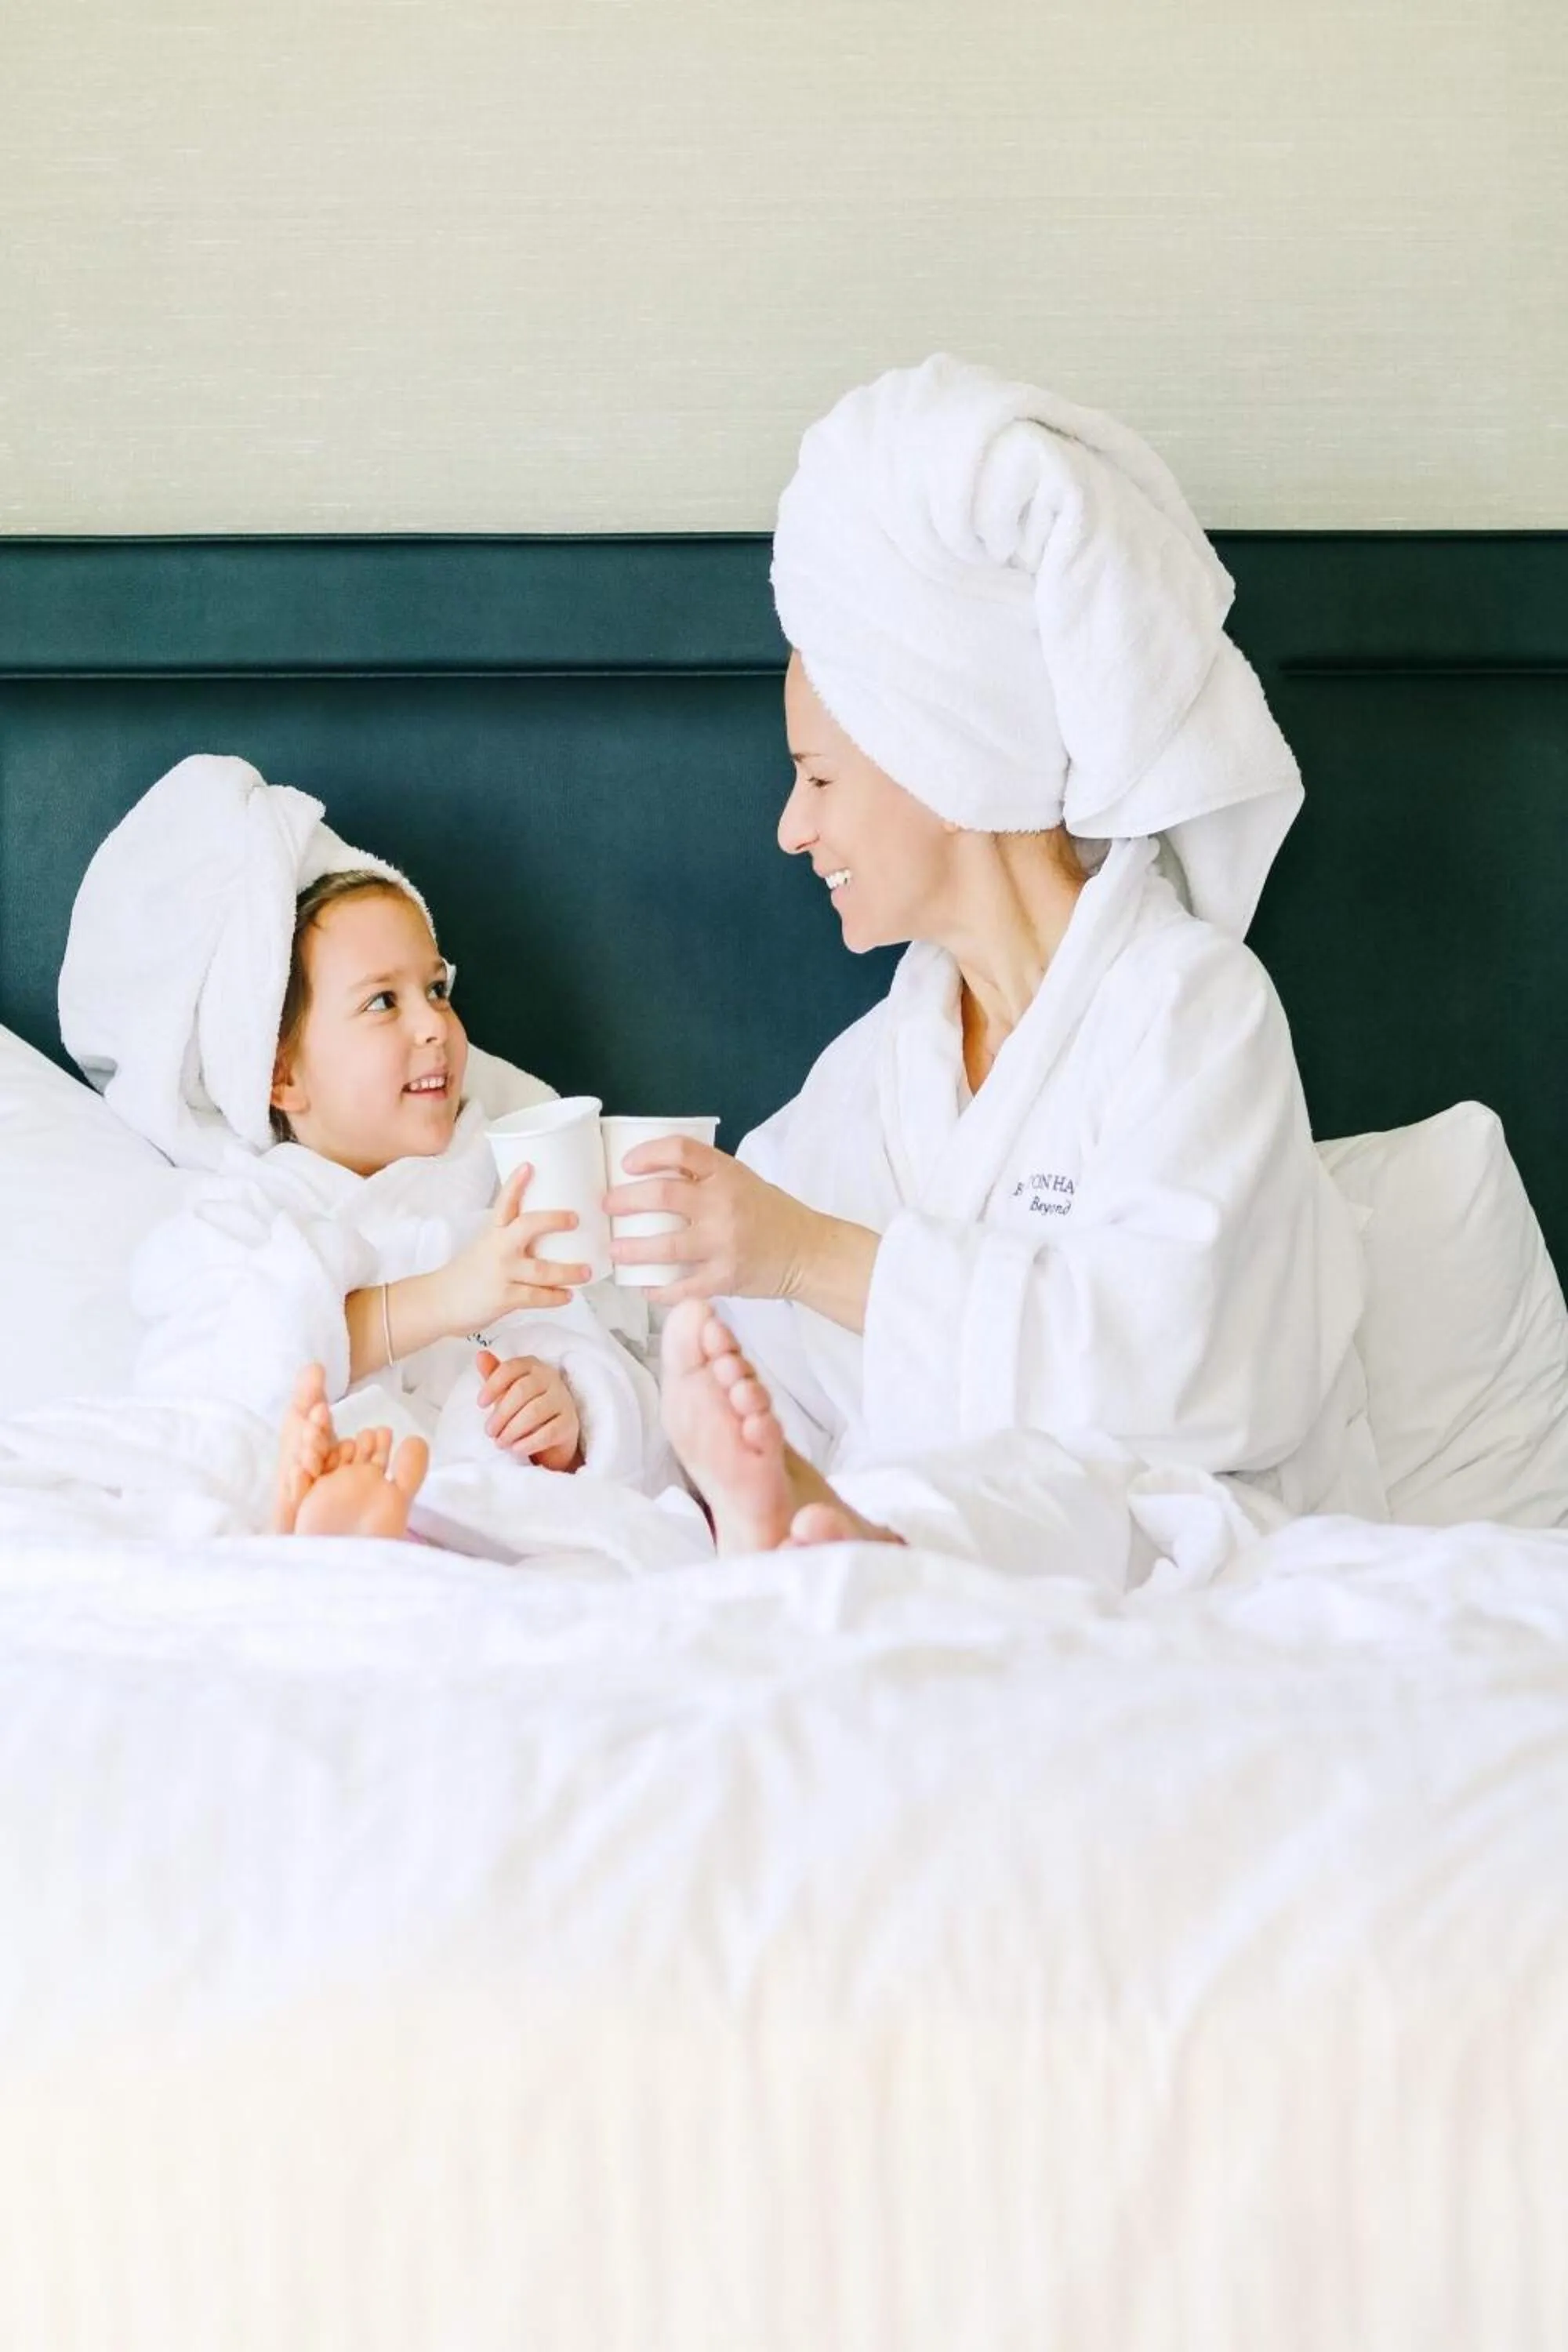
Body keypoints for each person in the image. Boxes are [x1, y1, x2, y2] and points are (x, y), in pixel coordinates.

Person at [606, 355, 1387, 1563]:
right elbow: (737, 1361)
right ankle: (836, 1529)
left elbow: (1178, 1365)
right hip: (892, 1557)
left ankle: (872, 1538)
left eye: (818, 779)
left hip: (1172, 1571)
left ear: (946, 761)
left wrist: (808, 1255)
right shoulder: (874, 1078)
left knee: (1072, 1493)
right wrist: (593, 1395)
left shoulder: (1193, 1011)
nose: (792, 828)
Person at [58, 758, 668, 1507]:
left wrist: (568, 1416)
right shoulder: (242, 1218)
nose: (433, 1025)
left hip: (491, 1517)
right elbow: (208, 1398)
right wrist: (440, 1298)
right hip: (326, 1500)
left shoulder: (509, 1187)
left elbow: (628, 1360)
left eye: (437, 989)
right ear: (280, 1075)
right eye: (383, 1002)